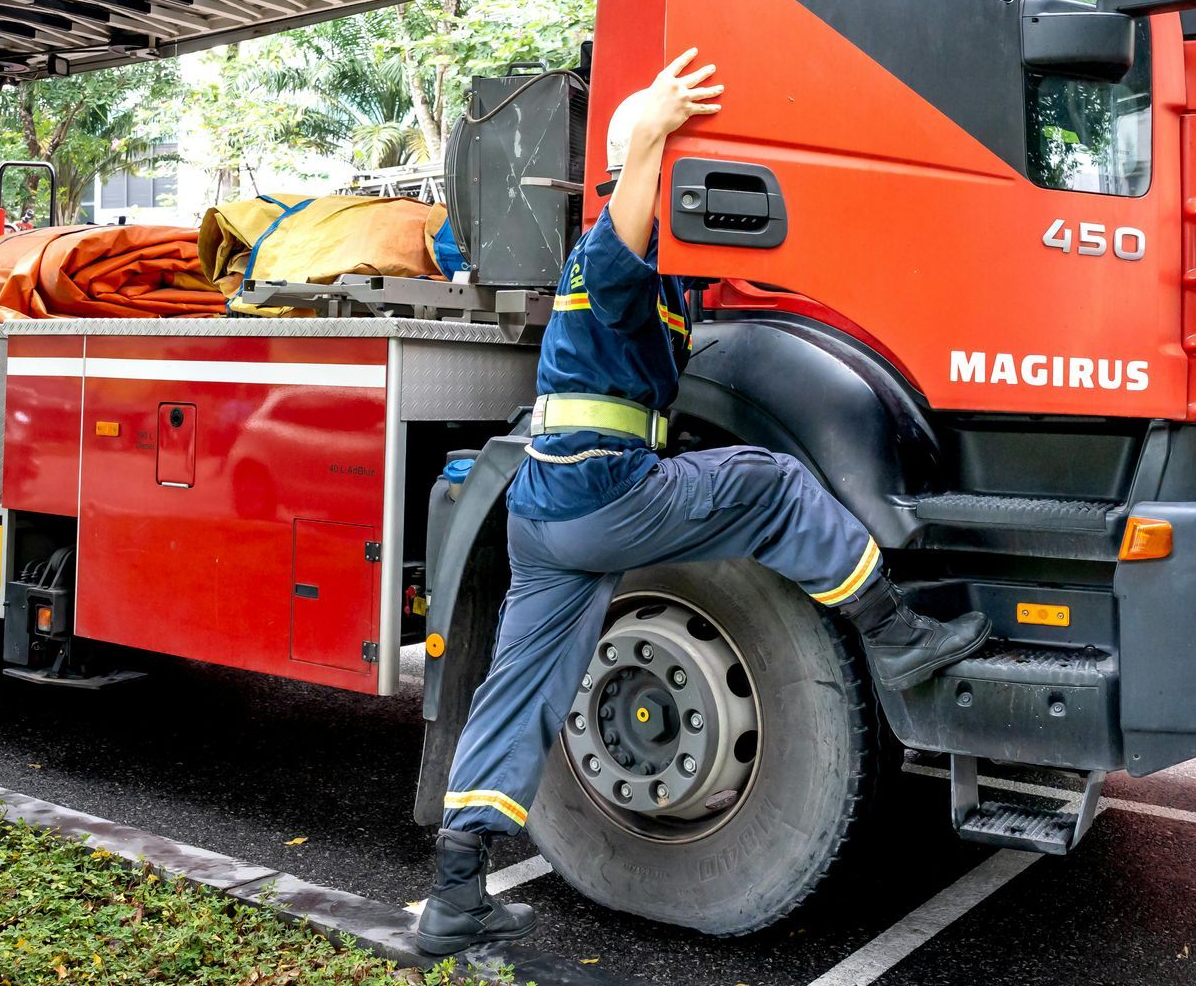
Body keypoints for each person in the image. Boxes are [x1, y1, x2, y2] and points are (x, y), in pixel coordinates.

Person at [413, 49, 990, 957]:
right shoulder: (611, 253)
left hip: (548, 509)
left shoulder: (653, 277)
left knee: (519, 691)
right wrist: (657, 118)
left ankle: (455, 893)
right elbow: (632, 208)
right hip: (605, 488)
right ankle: (899, 635)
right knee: (771, 485)